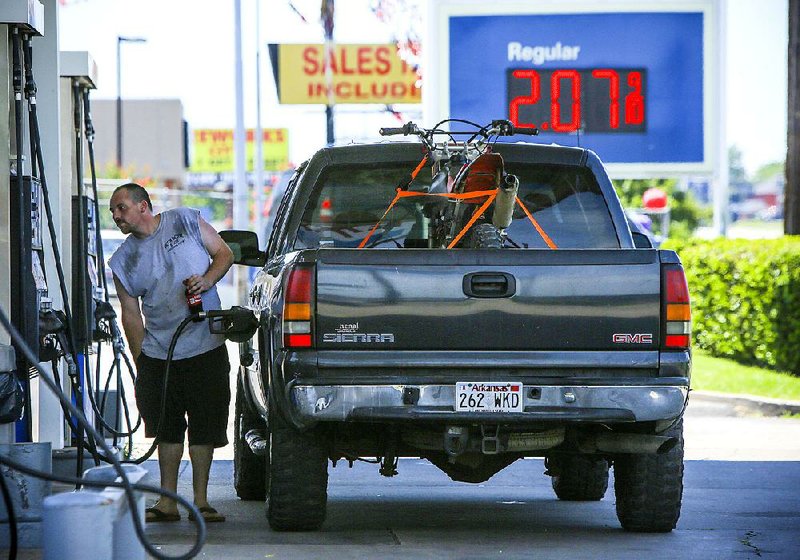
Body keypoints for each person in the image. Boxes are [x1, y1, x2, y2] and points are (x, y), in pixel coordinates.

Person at [108, 183, 234, 523]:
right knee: (167, 428)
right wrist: (142, 361)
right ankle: (167, 502)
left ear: (143, 206)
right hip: (160, 353)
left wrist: (207, 281)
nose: (116, 215)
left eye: (120, 207)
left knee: (205, 425)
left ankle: (201, 501)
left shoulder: (185, 220)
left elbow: (224, 254)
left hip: (206, 344)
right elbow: (130, 314)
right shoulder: (122, 260)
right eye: (113, 211)